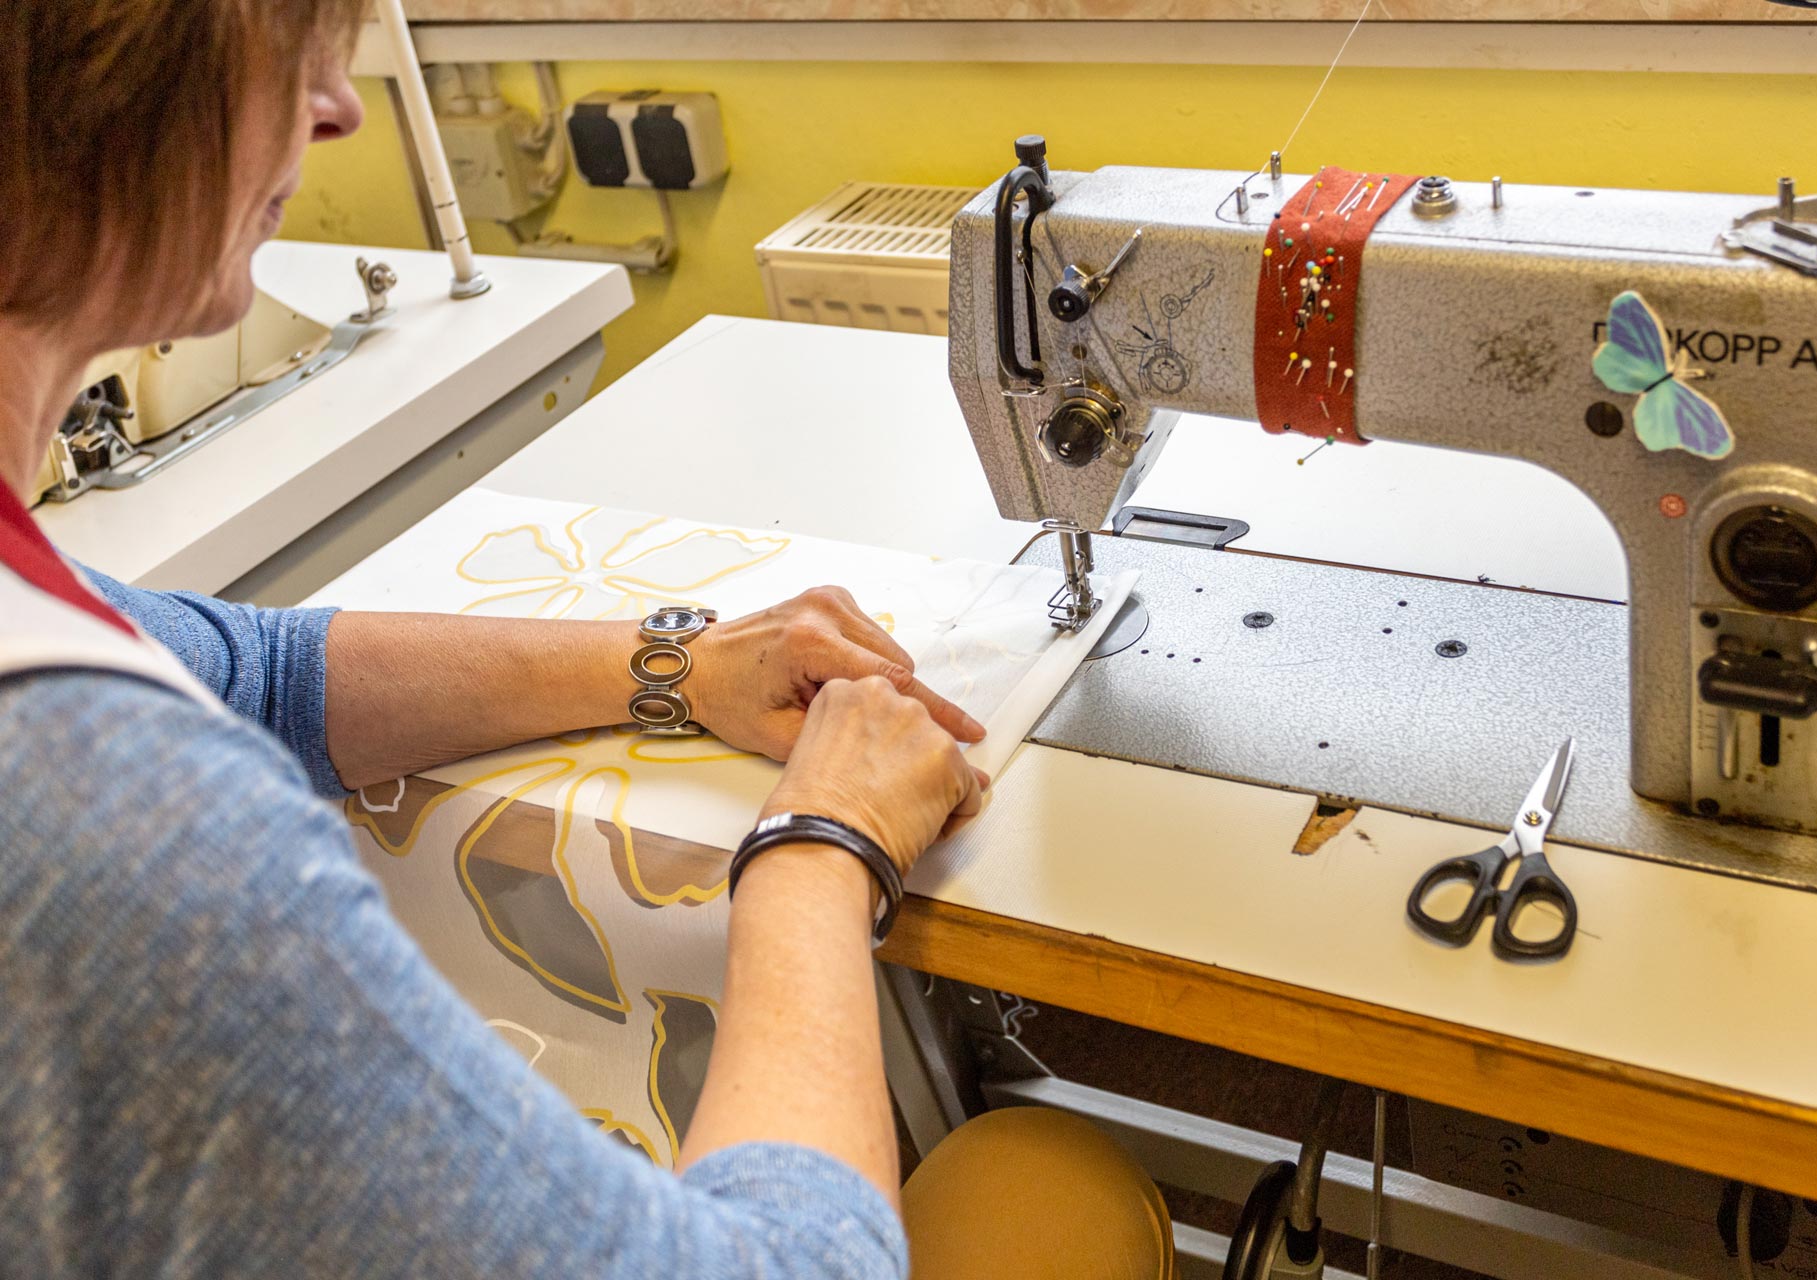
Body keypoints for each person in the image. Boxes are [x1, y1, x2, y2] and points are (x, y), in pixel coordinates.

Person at [0, 3, 1174, 1276]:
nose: (337, 107)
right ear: (97, 86)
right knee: (1050, 1184)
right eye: (294, 46)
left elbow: (254, 675)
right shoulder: (122, 826)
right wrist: (823, 842)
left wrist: (673, 663)